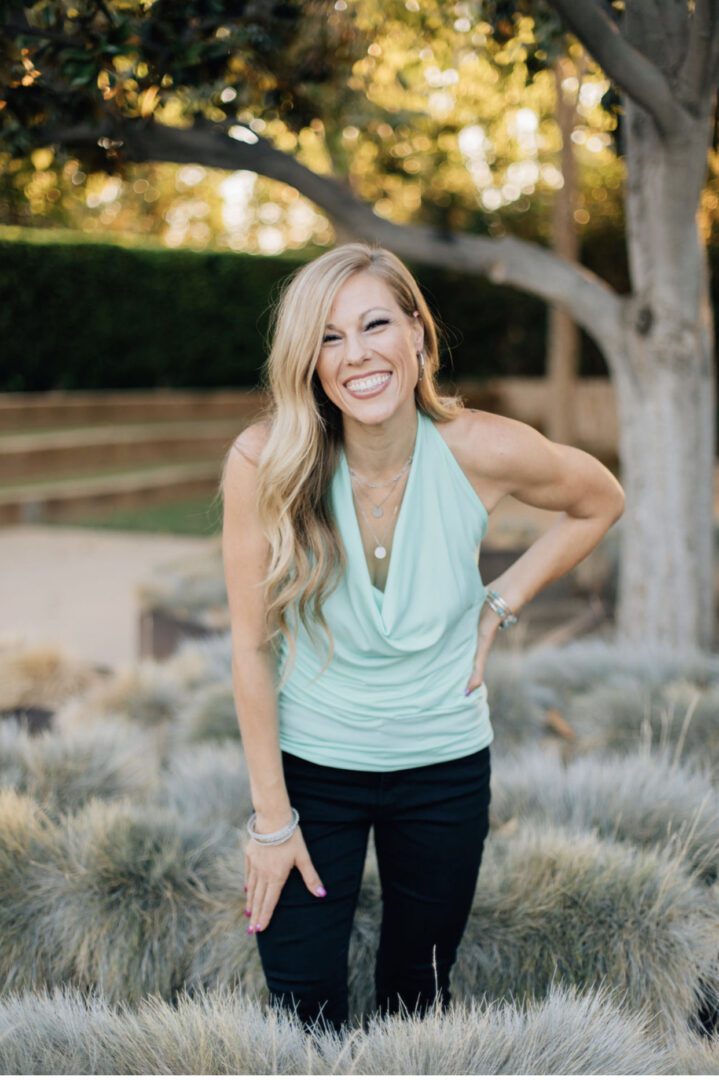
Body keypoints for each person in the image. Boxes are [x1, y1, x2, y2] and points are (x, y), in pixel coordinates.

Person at [220, 242, 625, 1037]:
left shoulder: (480, 448)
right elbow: (247, 645)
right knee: (300, 1013)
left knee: (417, 999)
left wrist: (496, 605)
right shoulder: (264, 461)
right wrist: (272, 823)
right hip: (312, 773)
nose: (356, 354)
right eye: (329, 337)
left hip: (443, 767)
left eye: (375, 324)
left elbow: (600, 499)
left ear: (417, 335)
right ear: (308, 360)